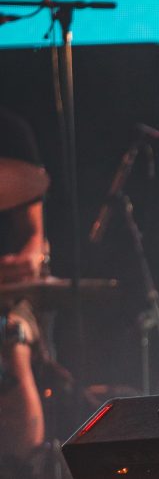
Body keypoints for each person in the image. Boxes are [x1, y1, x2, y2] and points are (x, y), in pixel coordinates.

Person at [0, 107, 50, 467]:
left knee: (10, 335)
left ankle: (25, 465)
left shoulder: (11, 130)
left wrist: (22, 262)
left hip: (9, 294)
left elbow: (35, 241)